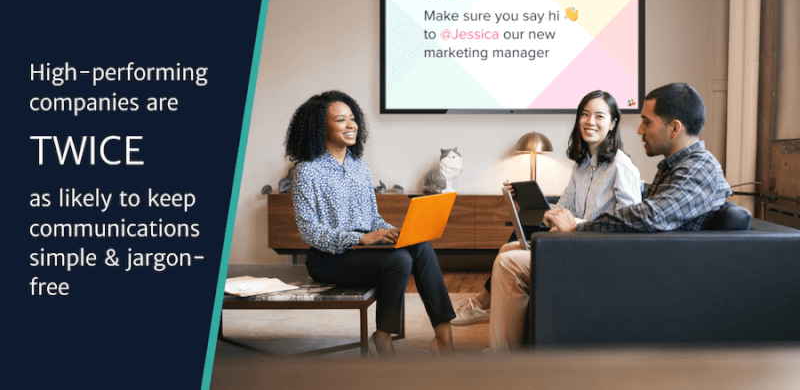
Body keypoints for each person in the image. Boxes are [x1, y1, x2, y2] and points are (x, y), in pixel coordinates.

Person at [489, 83, 733, 351]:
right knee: (512, 249)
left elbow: (649, 217)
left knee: (510, 263)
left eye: (646, 122)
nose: (639, 129)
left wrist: (579, 229)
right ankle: (504, 343)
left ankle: (503, 363)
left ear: (674, 128)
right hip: (634, 257)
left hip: (637, 268)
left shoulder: (698, 169)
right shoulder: (677, 167)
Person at [286, 90, 456, 357]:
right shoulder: (307, 171)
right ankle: (384, 337)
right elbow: (310, 231)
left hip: (364, 251)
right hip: (329, 258)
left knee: (420, 245)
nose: (351, 125)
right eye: (341, 120)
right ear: (321, 127)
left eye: (352, 118)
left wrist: (390, 232)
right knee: (399, 260)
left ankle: (445, 338)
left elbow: (371, 218)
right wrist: (358, 238)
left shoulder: (359, 167)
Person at [452, 90, 642, 326]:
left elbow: (630, 225)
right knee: (508, 246)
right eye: (584, 114)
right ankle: (492, 311)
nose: (590, 121)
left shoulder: (622, 168)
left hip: (595, 251)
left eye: (599, 116)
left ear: (613, 124)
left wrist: (574, 223)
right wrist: (538, 205)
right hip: (571, 242)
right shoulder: (580, 167)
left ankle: (483, 306)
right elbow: (565, 206)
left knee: (508, 255)